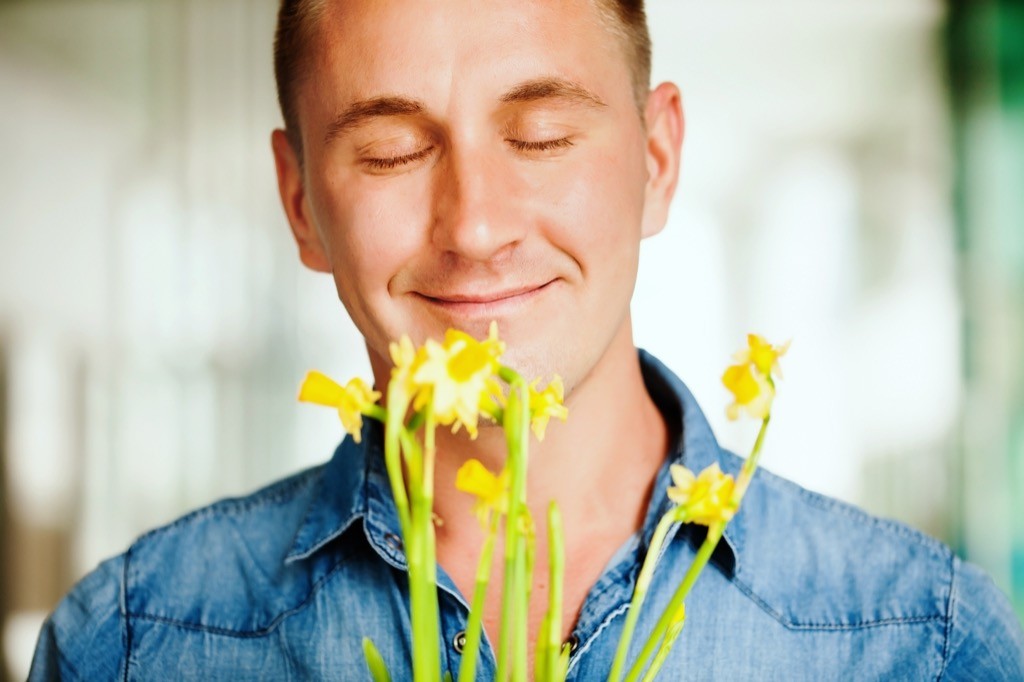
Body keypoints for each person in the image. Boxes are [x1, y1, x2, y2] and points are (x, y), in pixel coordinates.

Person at [29, 0, 1024, 679]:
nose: (473, 226)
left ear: (657, 154)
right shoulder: (132, 642)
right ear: (299, 202)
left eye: (542, 136)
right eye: (388, 151)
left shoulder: (918, 640)